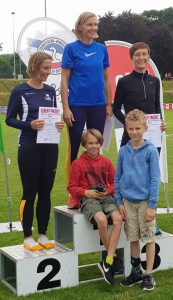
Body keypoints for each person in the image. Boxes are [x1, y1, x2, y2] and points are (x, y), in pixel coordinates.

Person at [6, 51, 64, 251]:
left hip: (50, 148)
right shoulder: (19, 91)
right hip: (29, 148)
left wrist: (58, 125)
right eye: (45, 68)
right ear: (34, 66)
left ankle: (42, 234)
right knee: (30, 192)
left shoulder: (49, 91)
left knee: (45, 193)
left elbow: (54, 116)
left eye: (50, 68)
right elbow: (9, 119)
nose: (48, 72)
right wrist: (29, 125)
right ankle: (27, 236)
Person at [67, 129, 123, 285]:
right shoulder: (78, 163)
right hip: (88, 199)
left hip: (106, 197)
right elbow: (71, 187)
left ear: (101, 144)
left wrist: (108, 190)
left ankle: (108, 259)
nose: (93, 146)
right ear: (84, 144)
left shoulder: (106, 162)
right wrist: (85, 191)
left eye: (96, 143)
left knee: (118, 219)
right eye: (90, 143)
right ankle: (112, 258)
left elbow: (116, 183)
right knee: (101, 219)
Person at [60, 11, 112, 178]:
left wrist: (108, 104)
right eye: (90, 24)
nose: (94, 27)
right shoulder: (71, 49)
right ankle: (72, 189)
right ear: (80, 27)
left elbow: (106, 79)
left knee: (96, 145)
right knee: (74, 145)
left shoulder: (101, 49)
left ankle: (96, 184)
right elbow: (64, 80)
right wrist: (66, 108)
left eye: (95, 24)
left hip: (98, 105)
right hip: (76, 105)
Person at [114, 109, 160, 291]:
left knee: (148, 238)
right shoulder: (124, 151)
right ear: (126, 128)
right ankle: (136, 272)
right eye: (131, 129)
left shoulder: (150, 151)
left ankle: (148, 274)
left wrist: (152, 205)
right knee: (133, 237)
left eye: (137, 128)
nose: (134, 132)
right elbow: (118, 177)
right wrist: (118, 201)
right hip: (127, 202)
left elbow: (155, 179)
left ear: (145, 128)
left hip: (145, 203)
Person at [113, 41, 166, 147]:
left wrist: (160, 122)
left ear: (149, 57)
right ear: (132, 58)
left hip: (152, 135)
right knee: (128, 163)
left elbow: (156, 106)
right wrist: (128, 124)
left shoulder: (155, 81)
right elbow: (116, 108)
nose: (141, 57)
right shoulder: (124, 82)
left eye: (144, 54)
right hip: (131, 136)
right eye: (137, 55)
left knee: (152, 164)